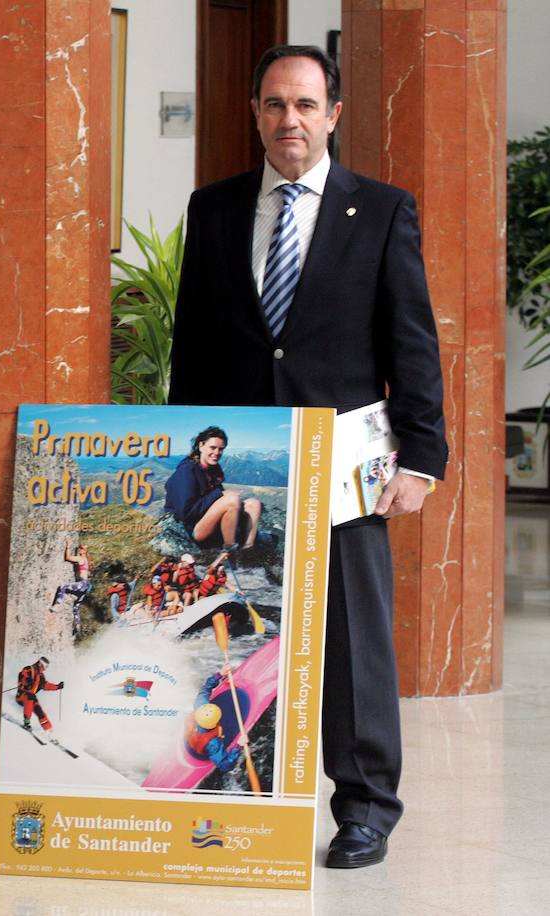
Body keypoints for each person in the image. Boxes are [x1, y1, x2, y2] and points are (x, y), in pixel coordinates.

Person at [167, 45, 447, 868]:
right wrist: (181, 453)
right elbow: (194, 346)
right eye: (274, 105)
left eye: (305, 106)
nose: (290, 121)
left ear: (334, 114)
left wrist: (422, 459)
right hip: (244, 463)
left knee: (354, 639)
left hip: (347, 460)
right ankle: (235, 790)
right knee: (238, 629)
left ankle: (364, 807)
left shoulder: (383, 210)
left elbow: (413, 342)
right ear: (255, 113)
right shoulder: (213, 210)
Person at [164, 426, 262, 550]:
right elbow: (185, 513)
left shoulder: (213, 469)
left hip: (208, 520)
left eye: (221, 449)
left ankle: (247, 548)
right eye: (213, 447)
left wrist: (221, 496)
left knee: (254, 504)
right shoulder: (187, 471)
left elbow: (214, 500)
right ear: (201, 446)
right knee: (231, 500)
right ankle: (230, 550)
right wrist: (219, 494)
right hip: (191, 528)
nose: (217, 453)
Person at [188, 673, 242, 773]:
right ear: (214, 723)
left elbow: (206, 689)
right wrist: (238, 747)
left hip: (193, 738)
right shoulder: (214, 743)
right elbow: (225, 766)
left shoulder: (200, 705)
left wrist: (219, 674)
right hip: (204, 748)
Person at [15, 657, 64, 735]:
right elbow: (22, 676)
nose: (45, 669)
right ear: (40, 664)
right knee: (30, 696)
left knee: (39, 711)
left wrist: (57, 687)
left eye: (46, 667)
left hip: (31, 698)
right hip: (21, 696)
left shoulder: (41, 676)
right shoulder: (28, 669)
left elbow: (46, 685)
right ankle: (26, 723)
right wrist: (27, 681)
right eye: (45, 667)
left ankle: (49, 730)